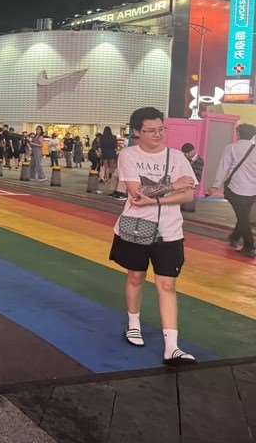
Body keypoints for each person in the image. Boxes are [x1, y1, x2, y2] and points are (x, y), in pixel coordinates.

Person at [110, 106, 198, 365]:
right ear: (137, 132)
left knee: (168, 285)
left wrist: (155, 201)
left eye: (161, 129)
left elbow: (189, 194)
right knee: (136, 277)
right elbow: (137, 194)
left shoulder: (178, 157)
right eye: (150, 131)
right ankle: (133, 323)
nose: (157, 135)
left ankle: (172, 346)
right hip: (135, 230)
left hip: (170, 231)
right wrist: (171, 187)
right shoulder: (128, 155)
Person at [209, 123, 256, 257]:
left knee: (243, 218)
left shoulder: (231, 148)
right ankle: (235, 237)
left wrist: (215, 185)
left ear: (239, 134)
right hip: (252, 191)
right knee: (243, 216)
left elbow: (223, 167)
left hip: (235, 189)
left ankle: (249, 245)